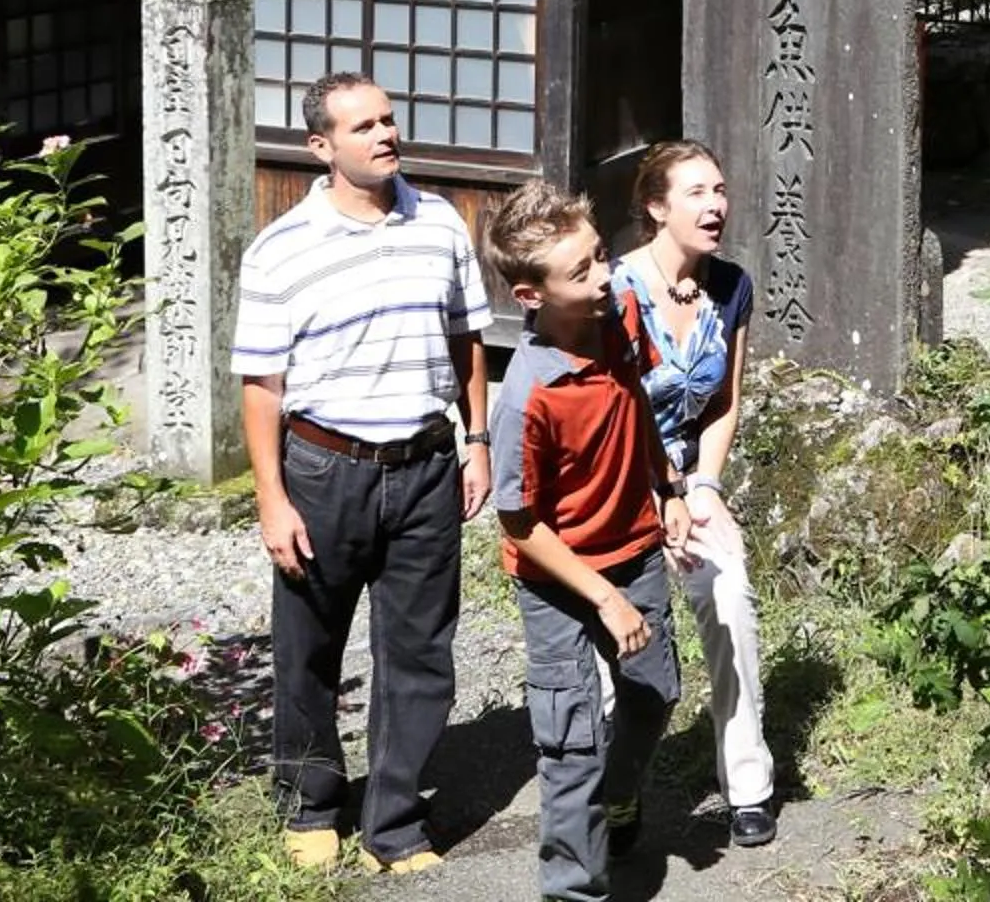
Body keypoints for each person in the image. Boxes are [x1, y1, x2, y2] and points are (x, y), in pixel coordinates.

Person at [232, 72, 491, 875]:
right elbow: (261, 387)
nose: (385, 134)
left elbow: (467, 338)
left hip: (424, 463)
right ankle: (310, 803)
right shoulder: (282, 248)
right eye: (364, 126)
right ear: (322, 147)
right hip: (323, 467)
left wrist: (477, 438)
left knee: (419, 651)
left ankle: (396, 824)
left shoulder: (441, 222)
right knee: (310, 645)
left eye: (388, 119)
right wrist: (271, 497)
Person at [482, 181, 691, 902]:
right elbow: (519, 524)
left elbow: (634, 404)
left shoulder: (621, 311)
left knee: (655, 693)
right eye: (581, 272)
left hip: (632, 548)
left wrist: (668, 490)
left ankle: (619, 796)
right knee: (571, 742)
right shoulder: (527, 394)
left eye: (601, 256)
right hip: (559, 578)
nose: (604, 276)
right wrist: (603, 599)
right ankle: (574, 889)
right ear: (530, 293)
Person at [613, 139, 778, 847]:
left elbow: (724, 402)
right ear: (656, 208)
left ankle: (749, 785)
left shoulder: (731, 286)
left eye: (720, 189)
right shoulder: (611, 290)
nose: (716, 205)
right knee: (619, 644)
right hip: (618, 484)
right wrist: (654, 497)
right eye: (696, 193)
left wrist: (704, 486)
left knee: (731, 598)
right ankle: (615, 794)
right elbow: (604, 411)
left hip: (689, 477)